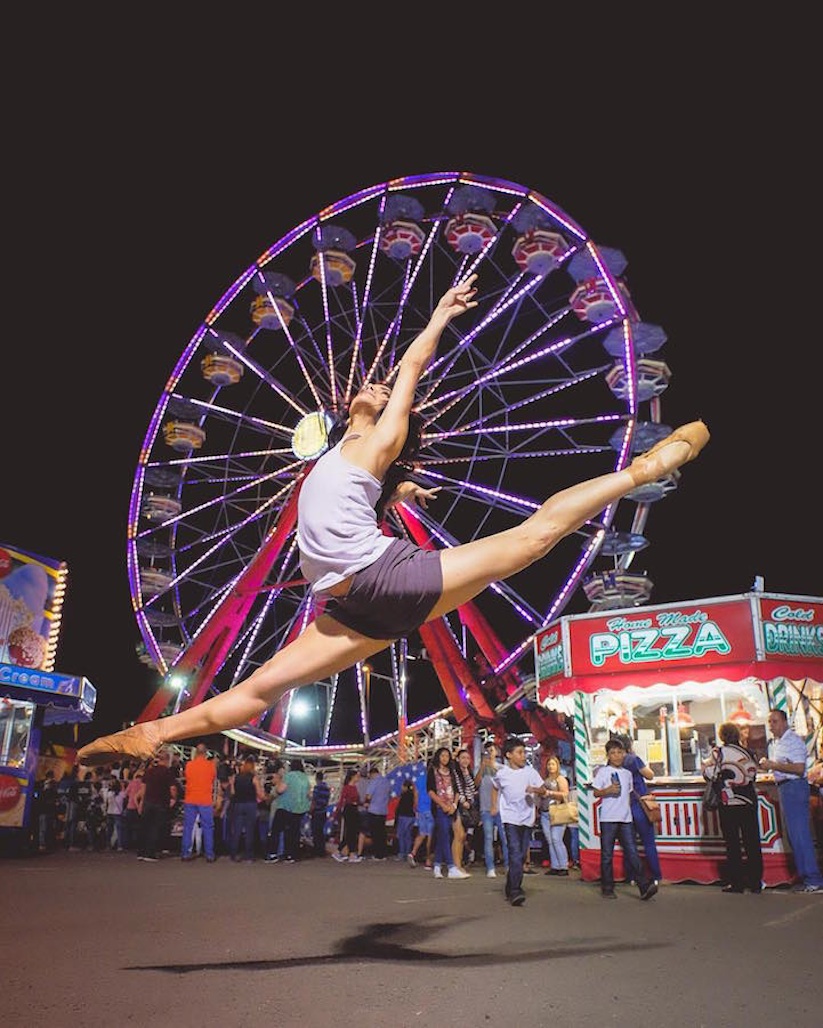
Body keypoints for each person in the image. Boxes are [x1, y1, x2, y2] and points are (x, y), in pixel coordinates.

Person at [77, 276, 710, 767]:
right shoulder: (337, 463)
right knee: (257, 690)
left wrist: (437, 316)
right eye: (371, 393)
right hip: (354, 607)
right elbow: (353, 493)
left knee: (534, 537)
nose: (376, 391)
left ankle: (642, 469)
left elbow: (410, 368)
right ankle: (150, 733)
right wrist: (396, 488)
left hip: (383, 577)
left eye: (381, 396)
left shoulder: (375, 445)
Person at [759, 709, 823, 893]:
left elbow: (798, 768)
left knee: (800, 834)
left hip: (794, 787)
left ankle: (813, 878)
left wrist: (773, 765)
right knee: (795, 835)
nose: (772, 725)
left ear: (785, 721)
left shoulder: (792, 741)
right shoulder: (779, 743)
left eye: (775, 721)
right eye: (770, 721)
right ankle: (806, 875)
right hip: (786, 788)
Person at [592, 738, 658, 901]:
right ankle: (607, 887)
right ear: (608, 755)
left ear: (624, 753)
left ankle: (643, 886)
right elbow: (596, 793)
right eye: (613, 753)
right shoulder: (602, 772)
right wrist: (607, 790)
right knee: (607, 854)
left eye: (619, 752)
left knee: (632, 852)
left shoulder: (628, 774)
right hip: (608, 818)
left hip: (625, 818)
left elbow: (628, 794)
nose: (617, 756)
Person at [701, 721, 763, 893]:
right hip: (748, 800)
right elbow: (753, 774)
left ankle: (737, 882)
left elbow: (710, 774)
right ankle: (756, 882)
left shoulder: (718, 753)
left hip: (728, 802)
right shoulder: (748, 752)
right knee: (752, 842)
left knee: (733, 843)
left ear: (722, 736)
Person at [491, 736, 547, 906]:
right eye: (520, 752)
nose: (523, 756)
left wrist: (535, 789)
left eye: (524, 752)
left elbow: (543, 790)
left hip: (527, 818)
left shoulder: (530, 772)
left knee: (521, 855)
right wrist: (494, 805)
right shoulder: (502, 774)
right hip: (509, 818)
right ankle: (516, 891)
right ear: (509, 755)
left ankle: (510, 886)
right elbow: (495, 787)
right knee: (514, 853)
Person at [616, 734, 662, 885]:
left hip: (623, 806)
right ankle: (655, 876)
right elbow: (650, 775)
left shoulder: (614, 763)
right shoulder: (633, 759)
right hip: (639, 805)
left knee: (629, 844)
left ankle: (631, 877)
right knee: (648, 842)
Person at [427, 746, 470, 879]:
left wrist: (454, 805)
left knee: (443, 835)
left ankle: (437, 866)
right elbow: (430, 791)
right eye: (442, 756)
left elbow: (457, 790)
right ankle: (451, 867)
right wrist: (442, 804)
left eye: (447, 756)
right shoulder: (432, 771)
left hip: (452, 808)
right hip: (440, 808)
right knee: (444, 833)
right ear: (438, 757)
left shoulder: (452, 772)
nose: (445, 758)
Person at [136, 748, 177, 862]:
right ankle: (150, 853)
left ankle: (141, 852)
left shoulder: (149, 771)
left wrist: (141, 803)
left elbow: (143, 789)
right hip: (160, 803)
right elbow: (172, 789)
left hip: (148, 802)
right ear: (167, 760)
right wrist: (173, 798)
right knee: (155, 828)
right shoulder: (168, 772)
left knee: (145, 827)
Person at [475, 740, 509, 878]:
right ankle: (490, 867)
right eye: (487, 750)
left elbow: (503, 783)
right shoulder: (480, 766)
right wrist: (483, 767)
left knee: (505, 838)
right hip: (486, 808)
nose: (490, 753)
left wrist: (493, 764)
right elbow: (476, 783)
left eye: (492, 750)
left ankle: (508, 866)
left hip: (501, 808)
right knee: (488, 838)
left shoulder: (501, 767)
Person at [181, 741, 217, 862]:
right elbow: (212, 779)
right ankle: (209, 854)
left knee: (188, 827)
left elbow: (187, 778)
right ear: (206, 753)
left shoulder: (189, 765)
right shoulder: (210, 765)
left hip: (190, 798)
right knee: (208, 827)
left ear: (196, 752)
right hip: (205, 799)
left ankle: (186, 853)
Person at [228, 755, 265, 862]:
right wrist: (264, 798)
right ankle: (249, 856)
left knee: (237, 830)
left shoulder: (236, 777)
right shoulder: (254, 778)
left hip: (238, 804)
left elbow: (232, 792)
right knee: (250, 831)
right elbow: (259, 793)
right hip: (250, 805)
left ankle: (233, 854)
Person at [539, 754, 571, 877]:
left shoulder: (560, 779)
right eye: (549, 764)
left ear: (557, 765)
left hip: (558, 811)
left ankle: (563, 865)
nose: (551, 766)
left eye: (553, 764)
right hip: (545, 812)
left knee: (557, 839)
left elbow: (565, 794)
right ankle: (555, 865)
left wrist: (549, 793)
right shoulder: (545, 780)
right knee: (550, 840)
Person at [279, 758, 311, 862]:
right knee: (296, 831)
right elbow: (309, 794)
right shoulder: (305, 778)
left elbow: (281, 790)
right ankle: (295, 854)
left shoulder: (289, 776)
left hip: (289, 807)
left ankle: (288, 853)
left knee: (288, 831)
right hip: (302, 807)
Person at [453, 747, 479, 870]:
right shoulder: (455, 773)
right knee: (460, 835)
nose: (465, 760)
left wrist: (467, 774)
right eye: (463, 758)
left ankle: (464, 857)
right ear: (457, 759)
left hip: (470, 806)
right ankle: (458, 861)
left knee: (466, 836)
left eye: (468, 758)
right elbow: (457, 788)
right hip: (460, 806)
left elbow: (473, 789)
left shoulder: (469, 772)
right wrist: (463, 802)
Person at [357, 765, 391, 860]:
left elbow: (368, 796)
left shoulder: (374, 782)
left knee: (375, 834)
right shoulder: (386, 781)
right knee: (382, 833)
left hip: (374, 810)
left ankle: (377, 854)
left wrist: (366, 803)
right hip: (383, 810)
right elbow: (389, 795)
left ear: (372, 774)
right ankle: (383, 853)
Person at [331, 768, 361, 862]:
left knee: (352, 832)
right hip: (349, 810)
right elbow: (341, 801)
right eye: (357, 776)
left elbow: (357, 800)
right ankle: (350, 853)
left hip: (354, 809)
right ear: (352, 777)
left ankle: (344, 852)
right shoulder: (347, 788)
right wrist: (336, 813)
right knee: (350, 832)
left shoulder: (355, 787)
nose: (358, 778)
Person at [394, 778, 417, 862]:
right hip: (411, 816)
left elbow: (400, 808)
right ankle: (408, 853)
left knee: (402, 836)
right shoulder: (413, 795)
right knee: (408, 836)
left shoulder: (404, 795)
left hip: (403, 816)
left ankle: (402, 853)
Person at [309, 770, 331, 857]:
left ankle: (316, 850)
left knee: (315, 832)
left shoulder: (317, 788)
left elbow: (314, 800)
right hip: (324, 811)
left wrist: (310, 810)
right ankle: (321, 850)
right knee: (320, 832)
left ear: (316, 778)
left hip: (317, 812)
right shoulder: (327, 788)